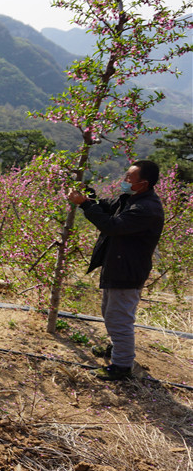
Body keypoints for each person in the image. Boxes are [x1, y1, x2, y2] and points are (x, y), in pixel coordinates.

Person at [67, 160, 164, 381]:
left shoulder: (146, 209)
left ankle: (121, 365)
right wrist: (90, 197)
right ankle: (116, 348)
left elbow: (113, 226)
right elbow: (109, 206)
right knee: (110, 312)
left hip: (127, 271)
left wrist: (84, 204)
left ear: (143, 183)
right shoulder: (132, 198)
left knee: (119, 318)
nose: (125, 181)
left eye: (129, 178)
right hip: (118, 266)